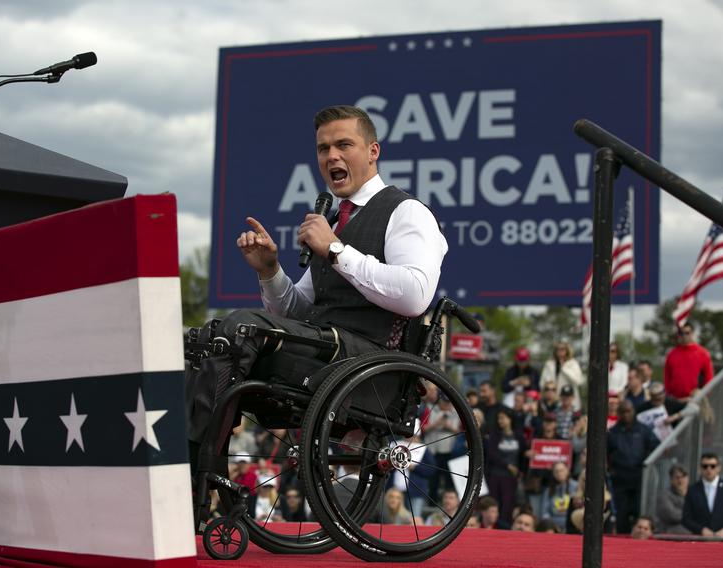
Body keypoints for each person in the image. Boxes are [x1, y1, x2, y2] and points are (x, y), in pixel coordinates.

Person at [184, 105, 448, 470]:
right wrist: (269, 271)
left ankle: (196, 469)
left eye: (344, 145)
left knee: (240, 327)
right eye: (323, 149)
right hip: (326, 349)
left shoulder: (406, 212)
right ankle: (190, 465)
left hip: (371, 362)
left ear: (373, 151)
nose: (331, 156)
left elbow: (416, 295)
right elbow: (297, 315)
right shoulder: (334, 222)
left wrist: (336, 251)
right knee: (205, 339)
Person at [607, 400, 659, 533]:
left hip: (639, 479)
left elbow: (656, 446)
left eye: (628, 411)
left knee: (639, 512)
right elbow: (605, 453)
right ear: (618, 413)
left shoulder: (643, 430)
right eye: (622, 411)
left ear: (633, 411)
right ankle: (623, 542)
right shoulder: (612, 432)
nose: (626, 414)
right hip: (619, 480)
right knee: (621, 515)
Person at [682, 452, 723, 537]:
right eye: (705, 466)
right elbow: (686, 518)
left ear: (719, 468)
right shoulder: (693, 489)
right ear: (700, 468)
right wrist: (701, 529)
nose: (709, 469)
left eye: (712, 466)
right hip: (700, 539)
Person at [485, 409, 528, 523]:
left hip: (511, 478)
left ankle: (504, 527)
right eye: (499, 418)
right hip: (495, 475)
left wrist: (521, 471)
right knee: (494, 504)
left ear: (510, 419)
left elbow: (523, 454)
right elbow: (491, 454)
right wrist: (508, 466)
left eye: (503, 418)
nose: (500, 421)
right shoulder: (495, 435)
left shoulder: (519, 436)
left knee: (508, 506)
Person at [664, 322, 714, 402]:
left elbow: (709, 378)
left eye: (687, 333)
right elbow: (667, 378)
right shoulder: (671, 354)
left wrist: (702, 394)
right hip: (675, 400)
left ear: (692, 333)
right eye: (681, 333)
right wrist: (669, 395)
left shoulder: (703, 353)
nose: (684, 336)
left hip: (695, 400)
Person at [459, 313, 500, 393]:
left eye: (474, 321)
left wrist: (486, 356)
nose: (471, 323)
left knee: (482, 398)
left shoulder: (489, 336)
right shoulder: (464, 336)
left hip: (483, 373)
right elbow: (460, 358)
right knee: (463, 399)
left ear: (482, 322)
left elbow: (498, 356)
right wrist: (453, 354)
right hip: (466, 372)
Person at [540, 341, 583, 410]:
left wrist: (564, 368)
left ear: (567, 350)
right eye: (558, 349)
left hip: (569, 401)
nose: (560, 352)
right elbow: (542, 383)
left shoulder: (573, 363)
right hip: (553, 401)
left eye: (562, 349)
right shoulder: (549, 364)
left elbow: (578, 381)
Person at [541, 462, 577, 531]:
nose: (559, 473)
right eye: (556, 471)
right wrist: (551, 525)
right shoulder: (548, 490)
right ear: (553, 474)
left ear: (567, 471)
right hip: (553, 525)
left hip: (571, 523)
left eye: (562, 470)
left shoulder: (576, 486)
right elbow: (545, 512)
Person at [655, 464, 690, 534]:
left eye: (683, 477)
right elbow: (671, 515)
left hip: (694, 535)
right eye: (677, 477)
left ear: (688, 478)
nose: (680, 480)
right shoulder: (664, 495)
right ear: (671, 479)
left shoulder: (695, 494)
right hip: (670, 535)